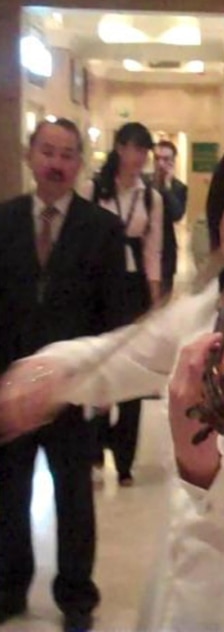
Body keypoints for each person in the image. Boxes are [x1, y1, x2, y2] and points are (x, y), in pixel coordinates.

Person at [0, 111, 224, 630]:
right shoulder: (219, 303)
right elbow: (123, 353)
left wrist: (190, 439)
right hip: (182, 588)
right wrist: (45, 372)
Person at [0, 118, 126, 631]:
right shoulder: (5, 221)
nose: (56, 163)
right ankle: (8, 588)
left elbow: (114, 312)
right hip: (10, 387)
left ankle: (76, 597)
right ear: (30, 155)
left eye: (67, 154)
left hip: (72, 389)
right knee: (8, 493)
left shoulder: (102, 229)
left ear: (79, 164)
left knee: (75, 497)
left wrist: (104, 384)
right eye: (48, 151)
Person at [81, 122, 164, 487]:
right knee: (99, 365)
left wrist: (155, 299)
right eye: (134, 148)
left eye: (144, 151)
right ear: (119, 148)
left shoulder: (150, 198)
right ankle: (95, 447)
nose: (139, 157)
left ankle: (125, 457)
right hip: (98, 284)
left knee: (131, 369)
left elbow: (153, 250)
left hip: (132, 288)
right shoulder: (94, 189)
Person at [153, 140, 188, 298]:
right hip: (144, 252)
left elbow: (177, 214)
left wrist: (167, 188)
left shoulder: (179, 188)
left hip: (166, 251)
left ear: (173, 161)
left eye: (166, 159)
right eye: (157, 158)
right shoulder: (143, 184)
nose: (161, 164)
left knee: (164, 299)